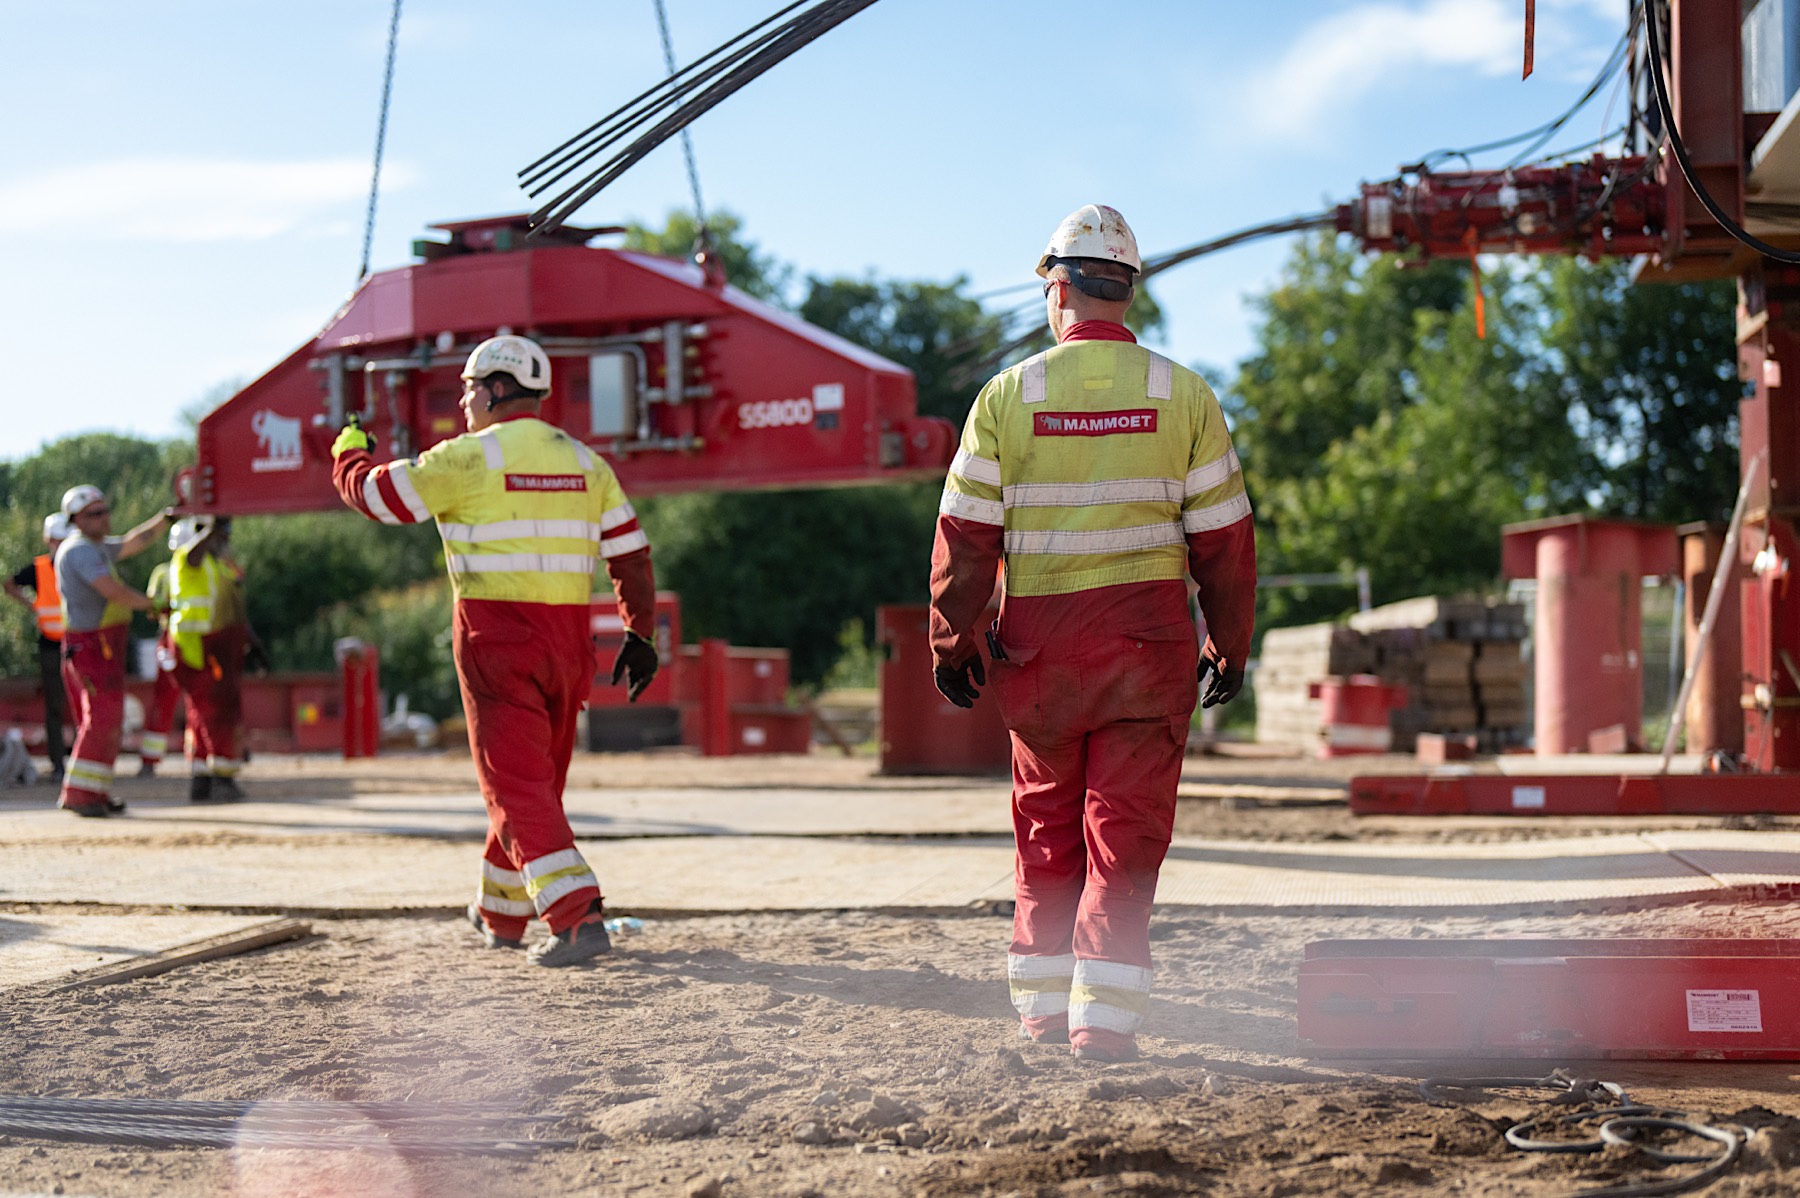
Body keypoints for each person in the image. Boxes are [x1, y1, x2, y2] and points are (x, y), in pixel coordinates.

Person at [928, 205, 1257, 1062]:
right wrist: (1230, 643)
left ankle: (1042, 1014)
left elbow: (965, 536)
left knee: (1046, 834)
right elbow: (1224, 541)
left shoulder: (1007, 396)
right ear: (1126, 291)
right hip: (1147, 656)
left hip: (1041, 659)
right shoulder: (1184, 394)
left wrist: (952, 641)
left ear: (1057, 289)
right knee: (1125, 839)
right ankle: (1102, 1025)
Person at [330, 334, 659, 967]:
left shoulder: (466, 458)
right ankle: (501, 915)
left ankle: (577, 918)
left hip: (497, 639)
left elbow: (375, 495)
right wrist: (639, 633)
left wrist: (348, 450)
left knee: (515, 786)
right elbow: (630, 554)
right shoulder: (586, 462)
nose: (463, 402)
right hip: (568, 647)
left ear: (496, 390)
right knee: (533, 783)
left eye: (468, 389)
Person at [54, 485, 171, 817]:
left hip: (102, 647)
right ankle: (79, 796)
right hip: (91, 647)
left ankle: (95, 793)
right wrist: (152, 604)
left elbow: (135, 540)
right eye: (95, 513)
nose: (104, 518)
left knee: (109, 721)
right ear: (76, 520)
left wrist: (167, 518)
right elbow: (113, 591)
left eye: (105, 511)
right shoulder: (79, 551)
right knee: (101, 719)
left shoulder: (96, 547)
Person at [166, 516, 265, 802]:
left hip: (218, 648)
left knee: (201, 713)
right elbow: (195, 554)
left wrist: (253, 644)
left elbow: (235, 608)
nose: (223, 540)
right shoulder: (187, 560)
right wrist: (212, 525)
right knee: (219, 713)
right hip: (199, 648)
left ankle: (202, 779)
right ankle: (222, 779)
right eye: (219, 535)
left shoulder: (220, 567)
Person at [4, 513, 73, 782]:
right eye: (56, 539)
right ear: (48, 540)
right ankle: (58, 764)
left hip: (78, 643)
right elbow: (9, 584)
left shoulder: (77, 563)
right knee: (55, 706)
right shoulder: (39, 568)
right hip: (51, 646)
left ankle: (82, 760)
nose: (59, 544)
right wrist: (32, 606)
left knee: (81, 706)